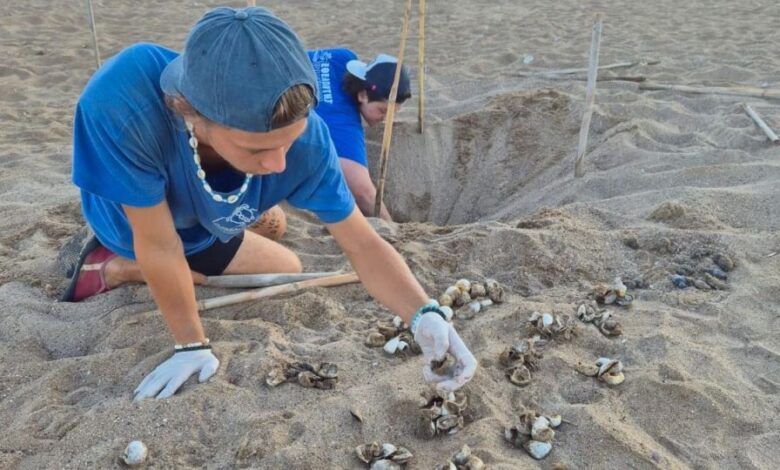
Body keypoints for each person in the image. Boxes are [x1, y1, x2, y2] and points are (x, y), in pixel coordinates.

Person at [62, 6, 476, 400]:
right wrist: (191, 343)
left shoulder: (308, 141)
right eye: (256, 148)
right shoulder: (125, 104)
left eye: (289, 142)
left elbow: (362, 244)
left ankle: (201, 249)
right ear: (190, 112)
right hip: (137, 222)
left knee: (286, 256)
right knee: (167, 254)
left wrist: (425, 315)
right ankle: (113, 266)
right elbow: (159, 243)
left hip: (210, 217)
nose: (278, 163)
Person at [307, 48, 411, 221]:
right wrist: (390, 225)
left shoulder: (343, 57)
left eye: (393, 113)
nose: (385, 120)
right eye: (382, 110)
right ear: (362, 95)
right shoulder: (343, 124)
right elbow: (364, 194)